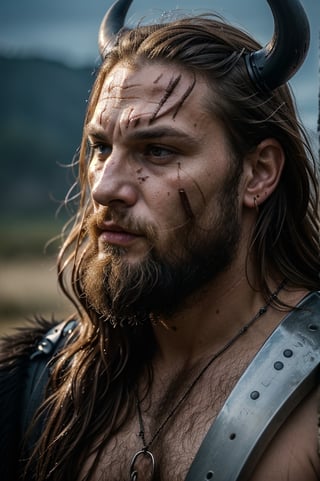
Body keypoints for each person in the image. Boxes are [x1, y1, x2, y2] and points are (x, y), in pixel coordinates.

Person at [1, 0, 320, 480]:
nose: (107, 187)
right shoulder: (37, 386)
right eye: (101, 147)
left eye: (158, 150)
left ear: (258, 173)